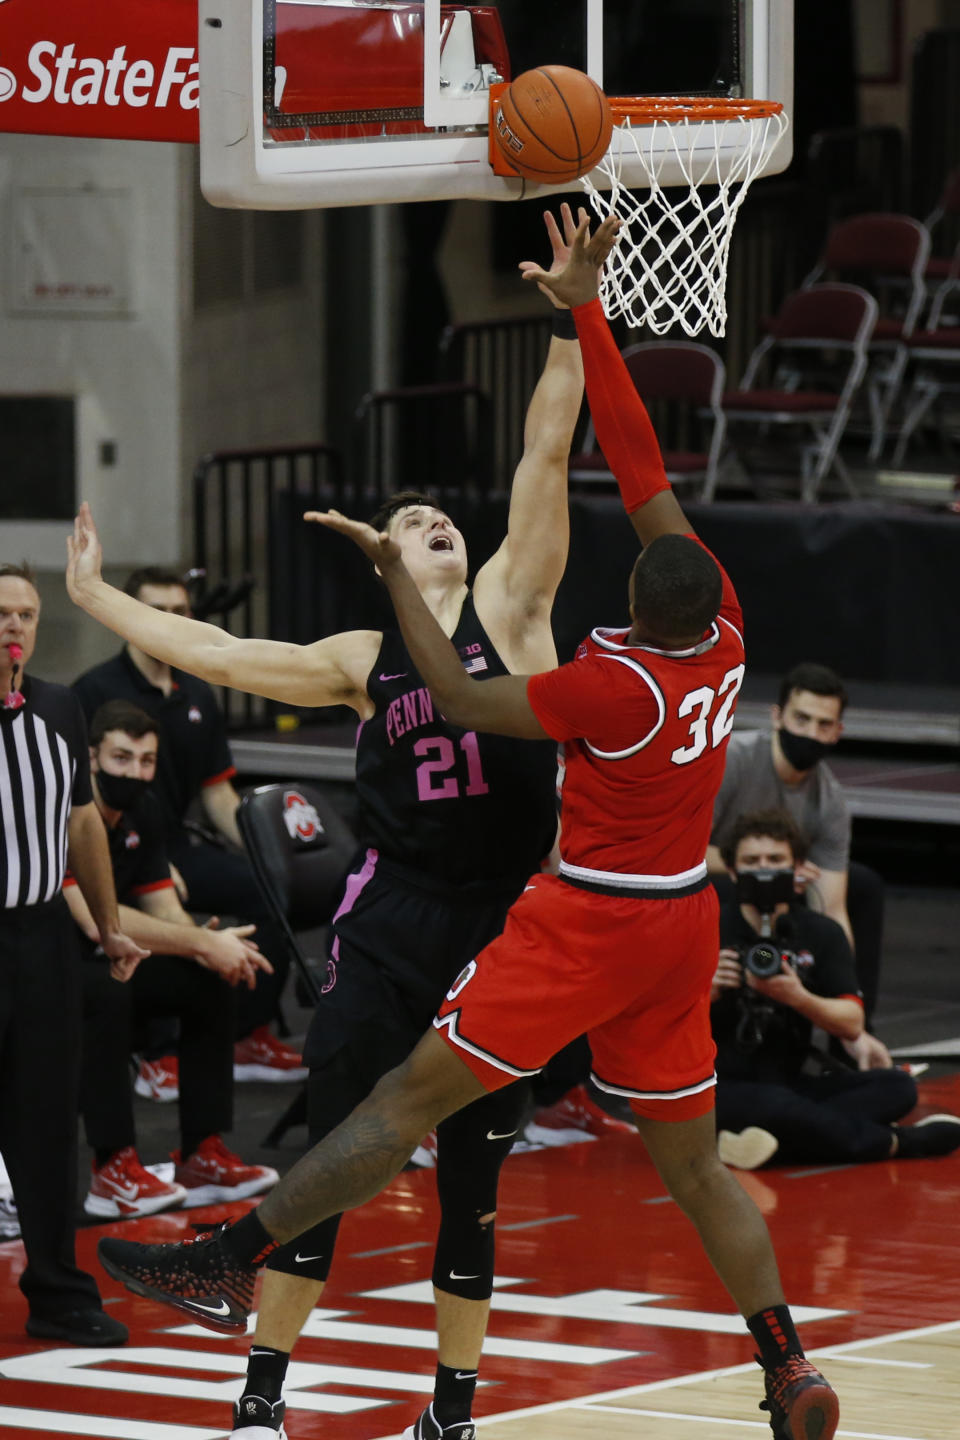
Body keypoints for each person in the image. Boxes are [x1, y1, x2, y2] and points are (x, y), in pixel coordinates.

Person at [87, 218, 841, 1440]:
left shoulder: (603, 678)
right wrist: (589, 312)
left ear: (634, 614)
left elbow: (469, 678)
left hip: (573, 920)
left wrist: (392, 566)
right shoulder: (725, 630)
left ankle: (231, 1262)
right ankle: (788, 1365)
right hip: (661, 924)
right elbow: (642, 467)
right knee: (693, 1167)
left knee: (396, 1116)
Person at [68, 204, 592, 1440]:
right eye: (411, 523)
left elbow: (547, 448)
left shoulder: (516, 612)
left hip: (501, 927)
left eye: (440, 520)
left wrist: (575, 313)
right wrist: (95, 596)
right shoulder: (365, 656)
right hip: (395, 920)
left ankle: (450, 1415)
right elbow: (216, 646)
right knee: (338, 1156)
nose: (434, 525)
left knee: (471, 1180)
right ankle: (260, 1401)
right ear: (384, 556)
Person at [72, 567, 306, 1087]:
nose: (171, 622)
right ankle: (157, 1050)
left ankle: (247, 1036)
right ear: (130, 618)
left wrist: (267, 854)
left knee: (265, 890)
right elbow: (79, 799)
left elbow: (217, 793)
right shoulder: (93, 690)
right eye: (158, 610)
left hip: (172, 842)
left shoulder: (198, 690)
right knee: (149, 921)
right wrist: (155, 863)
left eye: (180, 611)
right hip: (104, 847)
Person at [0, 562, 145, 1346]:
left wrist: (109, 924)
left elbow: (83, 823)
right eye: (1, 614)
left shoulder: (59, 706)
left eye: (26, 614)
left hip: (42, 936)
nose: (15, 626)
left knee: (50, 1121)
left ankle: (58, 1292)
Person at [69, 699, 280, 1218]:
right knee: (108, 990)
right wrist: (202, 942)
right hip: (54, 963)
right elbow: (95, 920)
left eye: (146, 761)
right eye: (121, 758)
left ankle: (201, 1155)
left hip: (116, 956)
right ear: (92, 758)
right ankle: (112, 1170)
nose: (134, 773)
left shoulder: (146, 809)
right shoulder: (68, 814)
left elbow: (162, 903)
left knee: (206, 978)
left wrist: (204, 946)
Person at [711, 809, 960, 1170]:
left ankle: (768, 1143)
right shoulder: (705, 927)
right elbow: (658, 1024)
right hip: (723, 1086)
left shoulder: (821, 932)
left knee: (897, 1087)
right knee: (777, 1106)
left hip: (792, 1082)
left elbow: (851, 1022)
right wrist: (707, 991)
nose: (764, 869)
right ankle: (897, 1142)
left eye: (775, 859)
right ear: (732, 871)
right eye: (752, 861)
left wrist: (798, 997)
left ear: (797, 867)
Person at [707, 662, 890, 1071]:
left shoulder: (831, 802)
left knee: (863, 886)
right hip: (714, 879)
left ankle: (856, 1034)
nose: (810, 733)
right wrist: (762, 869)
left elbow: (834, 905)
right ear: (777, 717)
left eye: (824, 724)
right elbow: (677, 853)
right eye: (801, 719)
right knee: (722, 892)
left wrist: (845, 994)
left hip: (785, 892)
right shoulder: (731, 761)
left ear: (837, 732)